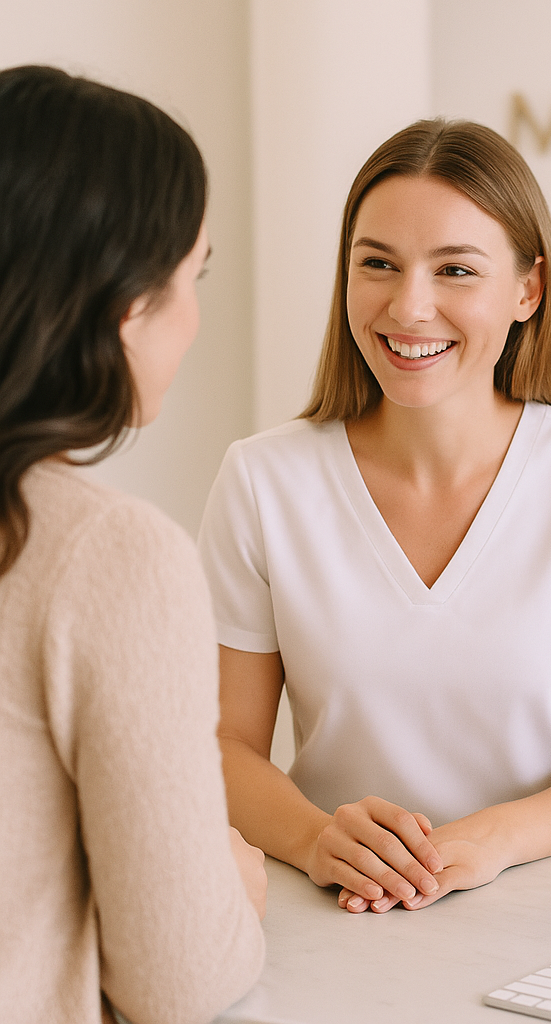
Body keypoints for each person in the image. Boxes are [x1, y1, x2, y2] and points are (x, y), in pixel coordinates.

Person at [199, 118, 551, 914]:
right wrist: (312, 837)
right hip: (325, 909)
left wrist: (492, 840)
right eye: (378, 265)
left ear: (527, 290)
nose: (410, 306)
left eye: (456, 270)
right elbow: (224, 745)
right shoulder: (263, 480)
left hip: (537, 905)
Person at [0, 65, 266, 1023]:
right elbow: (180, 981)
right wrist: (238, 880)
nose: (193, 316)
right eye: (192, 276)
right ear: (122, 303)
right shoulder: (108, 554)